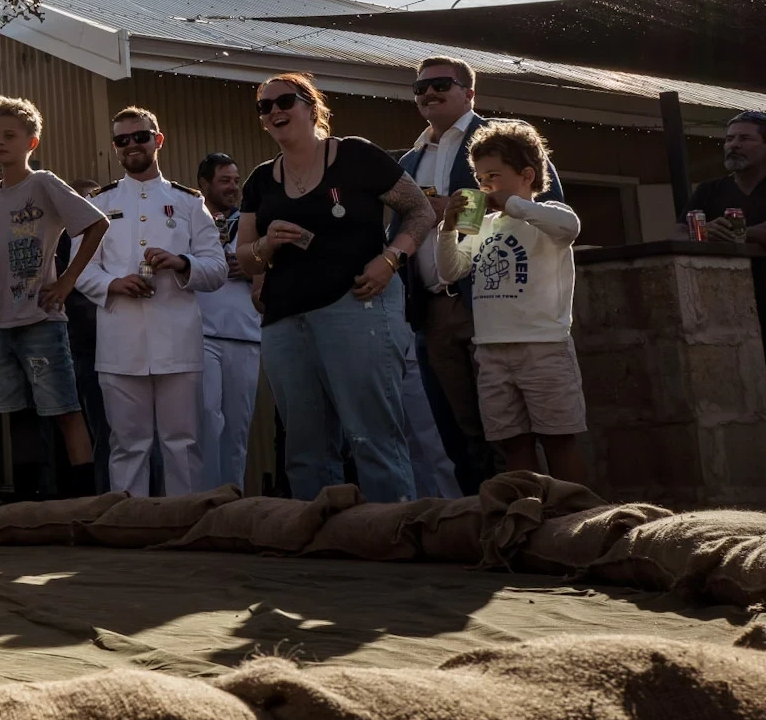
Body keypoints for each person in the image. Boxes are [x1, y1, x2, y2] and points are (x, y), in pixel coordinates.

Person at [237, 73, 435, 503]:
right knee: (304, 450)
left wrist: (390, 259)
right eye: (264, 107)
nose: (274, 112)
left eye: (284, 101)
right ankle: (324, 545)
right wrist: (268, 243)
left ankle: (393, 535)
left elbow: (420, 211)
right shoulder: (259, 180)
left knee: (371, 437)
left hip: (357, 306)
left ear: (311, 107)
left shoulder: (356, 155)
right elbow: (245, 258)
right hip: (285, 321)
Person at [397, 55, 563, 492]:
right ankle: (481, 522)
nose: (429, 93)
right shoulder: (409, 161)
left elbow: (548, 208)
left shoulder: (504, 141)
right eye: (421, 88)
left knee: (513, 432)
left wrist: (455, 206)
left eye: (441, 84)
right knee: (458, 431)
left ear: (470, 92)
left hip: (493, 306)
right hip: (432, 311)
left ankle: (536, 514)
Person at [428, 120, 588, 483]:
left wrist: (512, 204)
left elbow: (570, 228)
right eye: (481, 178)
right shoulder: (480, 225)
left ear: (527, 175)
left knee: (558, 440)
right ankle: (527, 517)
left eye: (494, 176)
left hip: (543, 347)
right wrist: (448, 228)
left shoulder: (548, 216)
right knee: (512, 444)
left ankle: (575, 520)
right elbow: (451, 271)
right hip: (490, 350)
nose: (485, 187)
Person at [77, 109, 226, 496]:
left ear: (158, 140)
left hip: (177, 338)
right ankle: (130, 527)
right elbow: (79, 269)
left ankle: (185, 524)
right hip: (120, 341)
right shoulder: (97, 202)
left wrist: (181, 263)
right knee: (128, 445)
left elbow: (217, 269)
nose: (131, 146)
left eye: (140, 137)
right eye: (121, 140)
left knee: (182, 443)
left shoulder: (190, 203)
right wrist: (113, 283)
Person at [0, 97, 108, 492]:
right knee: (17, 413)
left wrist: (65, 282)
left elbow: (95, 226)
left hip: (41, 319)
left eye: (9, 136)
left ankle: (83, 500)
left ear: (31, 142)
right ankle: (27, 507)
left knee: (64, 408)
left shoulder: (43, 183)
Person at [193, 153, 261, 492]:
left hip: (246, 334)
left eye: (236, 180)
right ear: (204, 184)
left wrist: (252, 268)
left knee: (237, 427)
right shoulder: (190, 220)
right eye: (224, 181)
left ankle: (232, 499)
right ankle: (205, 500)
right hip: (201, 334)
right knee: (207, 419)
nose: (233, 187)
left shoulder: (253, 221)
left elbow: (274, 266)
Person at [686, 111, 766, 338]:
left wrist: (739, 232)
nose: (734, 145)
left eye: (745, 139)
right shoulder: (708, 190)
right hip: (726, 305)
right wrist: (704, 231)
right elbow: (678, 234)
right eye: (729, 139)